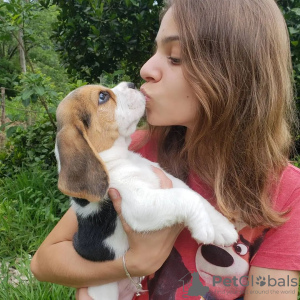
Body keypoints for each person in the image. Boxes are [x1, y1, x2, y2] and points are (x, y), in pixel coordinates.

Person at [31, 0, 300, 299]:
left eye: (175, 57)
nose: (146, 68)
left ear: (237, 75)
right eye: (156, 50)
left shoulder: (288, 192)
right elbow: (44, 262)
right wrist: (134, 263)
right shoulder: (132, 151)